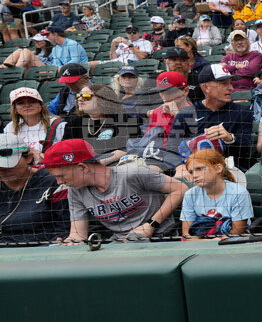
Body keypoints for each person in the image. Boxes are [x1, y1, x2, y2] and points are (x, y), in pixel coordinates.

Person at [45, 139, 186, 243]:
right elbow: (78, 234)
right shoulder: (75, 191)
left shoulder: (132, 173)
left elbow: (180, 188)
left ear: (83, 168)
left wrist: (151, 224)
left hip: (161, 238)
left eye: (61, 176)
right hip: (119, 244)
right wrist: (68, 242)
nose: (59, 182)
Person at [0, 134, 69, 244]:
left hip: (46, 249)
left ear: (29, 157)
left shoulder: (54, 180)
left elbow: (65, 229)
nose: (3, 170)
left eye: (9, 165)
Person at [193, 64, 255, 171]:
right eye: (223, 84)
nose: (231, 88)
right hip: (194, 169)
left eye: (230, 83)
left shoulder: (243, 112)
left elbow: (245, 153)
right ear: (206, 87)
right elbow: (173, 150)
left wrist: (229, 138)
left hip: (231, 171)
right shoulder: (187, 113)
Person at [180, 149, 253, 238]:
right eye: (191, 172)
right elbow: (186, 235)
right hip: (200, 244)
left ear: (218, 168)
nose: (194, 175)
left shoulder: (239, 193)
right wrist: (207, 242)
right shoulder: (190, 195)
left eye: (199, 169)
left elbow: (237, 233)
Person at [63, 84, 142, 166]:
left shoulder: (125, 120)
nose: (80, 99)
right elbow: (65, 150)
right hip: (81, 168)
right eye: (79, 96)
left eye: (86, 96)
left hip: (116, 166)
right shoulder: (74, 121)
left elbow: (132, 149)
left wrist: (100, 162)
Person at [3, 87, 66, 162]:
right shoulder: (10, 127)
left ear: (41, 106)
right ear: (15, 109)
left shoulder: (59, 125)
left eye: (32, 101)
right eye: (20, 103)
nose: (27, 105)